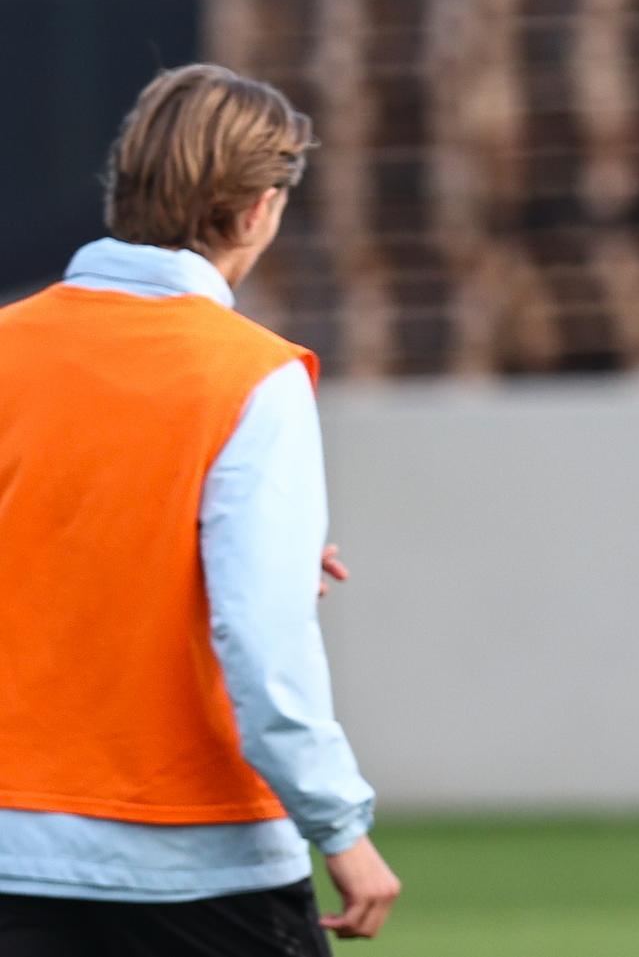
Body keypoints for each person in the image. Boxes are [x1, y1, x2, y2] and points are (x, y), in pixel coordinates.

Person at [0, 66, 400, 952]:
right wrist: (340, 823)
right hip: (197, 860)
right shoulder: (248, 375)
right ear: (259, 208)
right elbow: (261, 635)